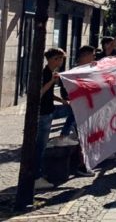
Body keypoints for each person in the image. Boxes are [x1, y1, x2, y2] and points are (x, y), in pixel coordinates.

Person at [35, 48, 66, 190]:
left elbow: (48, 95)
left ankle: (64, 135)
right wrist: (51, 81)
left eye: (61, 59)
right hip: (43, 114)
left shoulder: (50, 73)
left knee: (71, 110)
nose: (60, 61)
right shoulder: (44, 73)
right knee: (40, 147)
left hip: (50, 110)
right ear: (51, 59)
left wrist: (60, 100)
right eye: (58, 58)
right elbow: (39, 93)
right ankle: (36, 177)